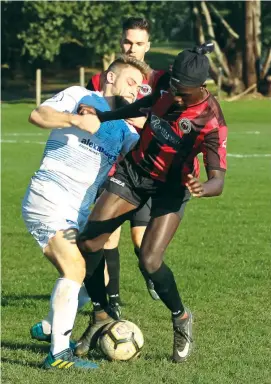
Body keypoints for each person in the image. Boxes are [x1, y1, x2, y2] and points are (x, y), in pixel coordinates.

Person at [74, 42, 228, 363]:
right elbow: (145, 104)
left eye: (183, 93)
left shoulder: (211, 121)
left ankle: (181, 317)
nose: (175, 97)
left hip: (172, 188)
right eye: (173, 88)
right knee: (89, 242)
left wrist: (205, 188)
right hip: (134, 172)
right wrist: (104, 115)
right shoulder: (166, 83)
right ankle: (101, 316)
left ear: (202, 87)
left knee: (150, 261)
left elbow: (218, 178)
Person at [22, 55, 149, 370]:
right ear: (110, 77)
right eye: (130, 82)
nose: (136, 90)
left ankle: (52, 326)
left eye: (140, 86)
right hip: (49, 197)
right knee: (76, 268)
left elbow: (143, 158)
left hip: (78, 211)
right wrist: (76, 120)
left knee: (97, 277)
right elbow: (38, 114)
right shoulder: (81, 96)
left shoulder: (122, 127)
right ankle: (58, 355)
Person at [87, 17, 165, 315]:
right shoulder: (103, 79)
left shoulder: (160, 84)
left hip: (146, 170)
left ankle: (151, 273)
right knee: (108, 234)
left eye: (139, 43)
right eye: (127, 41)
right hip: (112, 170)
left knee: (139, 238)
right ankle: (113, 301)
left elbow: (168, 128)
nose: (132, 48)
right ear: (121, 42)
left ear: (148, 46)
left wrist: (143, 123)